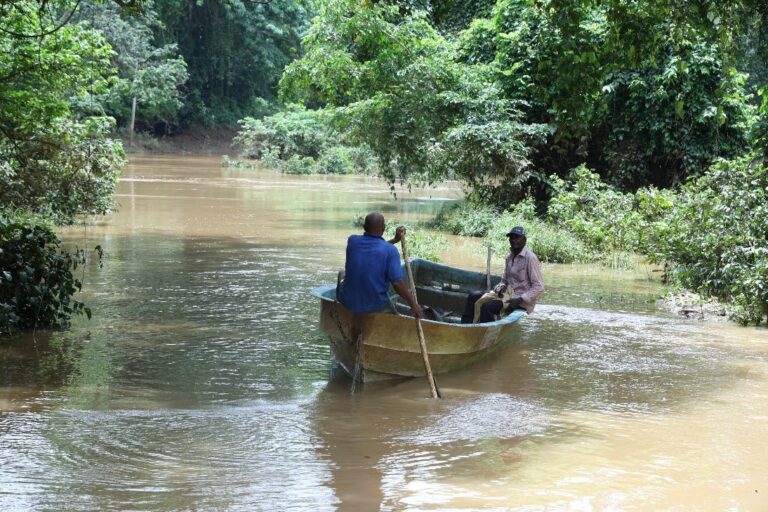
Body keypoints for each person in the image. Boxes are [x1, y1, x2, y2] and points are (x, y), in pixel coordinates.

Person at [337, 212, 424, 319]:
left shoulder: (352, 241)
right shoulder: (390, 250)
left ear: (364, 227)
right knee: (392, 313)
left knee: (342, 274)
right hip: (375, 305)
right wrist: (414, 305)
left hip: (347, 301)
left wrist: (395, 240)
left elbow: (374, 248)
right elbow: (397, 284)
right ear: (383, 229)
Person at [461, 226, 544, 323]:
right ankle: (465, 326)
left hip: (519, 299)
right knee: (473, 296)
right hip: (505, 295)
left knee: (487, 307)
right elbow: (504, 281)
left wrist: (520, 299)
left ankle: (485, 330)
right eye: (511, 238)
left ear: (524, 240)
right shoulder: (509, 257)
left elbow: (539, 286)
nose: (513, 240)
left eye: (517, 237)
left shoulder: (530, 258)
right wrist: (500, 287)